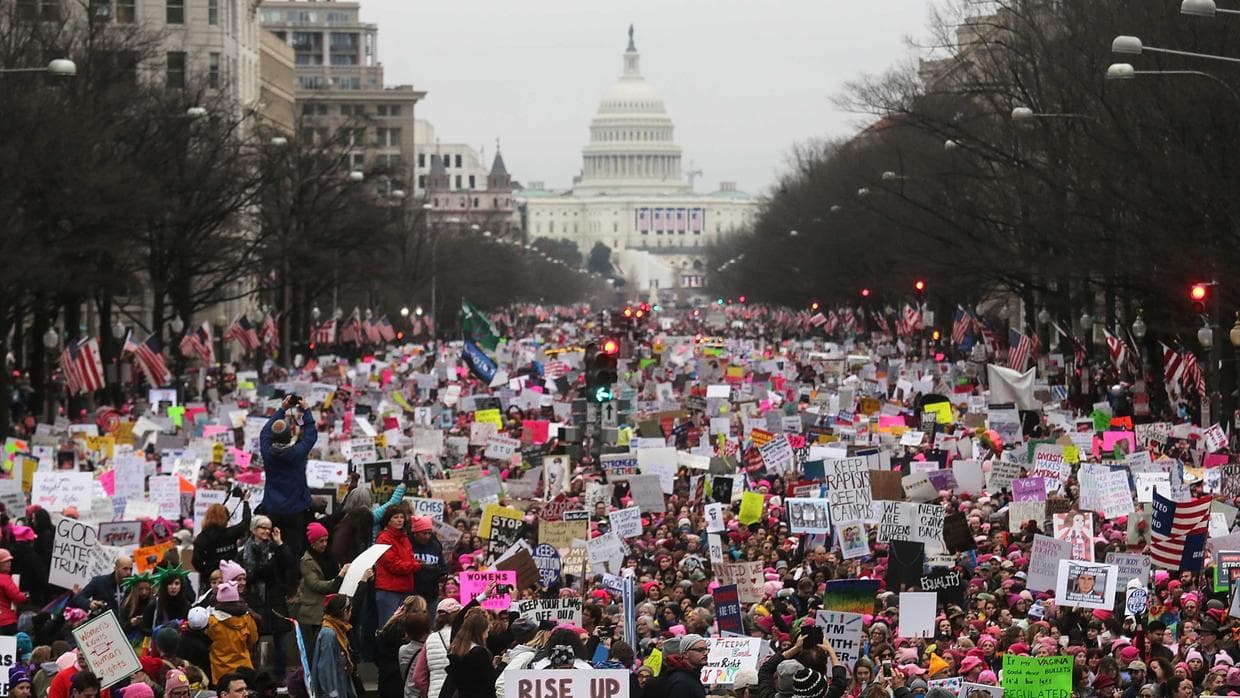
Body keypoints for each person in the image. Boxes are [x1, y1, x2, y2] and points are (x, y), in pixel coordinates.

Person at [259, 394, 317, 560]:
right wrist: (306, 411)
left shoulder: (267, 453)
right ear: (289, 436)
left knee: (272, 550)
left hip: (272, 508)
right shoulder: (297, 453)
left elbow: (264, 433)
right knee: (293, 551)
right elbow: (310, 436)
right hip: (295, 510)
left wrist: (282, 409)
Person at [238, 514, 296, 677]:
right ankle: (254, 677)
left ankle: (280, 676)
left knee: (280, 642)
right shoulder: (243, 552)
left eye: (268, 528)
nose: (266, 531)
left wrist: (280, 543)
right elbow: (243, 576)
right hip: (255, 600)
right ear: (253, 529)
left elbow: (290, 563)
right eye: (262, 527)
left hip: (275, 600)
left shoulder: (275, 549)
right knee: (253, 641)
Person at [296, 521, 354, 660]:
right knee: (313, 653)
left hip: (329, 610)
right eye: (320, 541)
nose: (324, 544)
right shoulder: (307, 561)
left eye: (326, 540)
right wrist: (339, 578)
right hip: (313, 614)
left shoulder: (331, 558)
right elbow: (316, 585)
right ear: (312, 543)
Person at [374, 504, 421, 627]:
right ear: (388, 520)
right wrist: (416, 566)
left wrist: (415, 564)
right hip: (389, 591)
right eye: (396, 517)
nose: (400, 520)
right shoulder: (383, 539)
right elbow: (393, 565)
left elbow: (410, 559)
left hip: (404, 589)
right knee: (389, 627)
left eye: (401, 517)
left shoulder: (405, 539)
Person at [204, 581, 257, 683]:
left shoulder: (212, 621)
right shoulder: (247, 618)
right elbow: (253, 640)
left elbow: (206, 641)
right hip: (244, 669)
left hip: (221, 670)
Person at [376, 596, 426, 698]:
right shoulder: (414, 633)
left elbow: (376, 657)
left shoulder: (389, 626)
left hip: (386, 681)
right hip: (403, 684)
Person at [441, 607, 496, 698]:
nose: (486, 636)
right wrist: (500, 666)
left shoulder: (455, 651)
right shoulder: (479, 653)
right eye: (486, 631)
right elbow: (488, 683)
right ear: (480, 631)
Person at [193, 498, 252, 581]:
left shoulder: (201, 538)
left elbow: (195, 561)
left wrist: (207, 571)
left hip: (211, 579)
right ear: (225, 517)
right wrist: (245, 501)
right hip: (231, 576)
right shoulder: (231, 533)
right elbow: (246, 522)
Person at [312, 595, 356, 698]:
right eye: (350, 610)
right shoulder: (329, 634)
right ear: (345, 611)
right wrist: (332, 694)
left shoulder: (339, 630)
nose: (351, 613)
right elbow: (326, 669)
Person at [408, 516, 445, 607]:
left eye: (429, 533)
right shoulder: (408, 545)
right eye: (424, 533)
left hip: (431, 595)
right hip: (412, 594)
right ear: (415, 533)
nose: (427, 536)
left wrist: (442, 574)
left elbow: (442, 566)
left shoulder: (435, 546)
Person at [0, 549, 28, 634]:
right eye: (6, 561)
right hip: (6, 621)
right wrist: (25, 596)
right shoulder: (5, 579)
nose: (9, 563)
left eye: (9, 561)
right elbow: (16, 596)